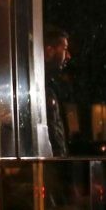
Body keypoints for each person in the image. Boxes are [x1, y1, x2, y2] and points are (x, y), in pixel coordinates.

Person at [44, 25, 72, 156]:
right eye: (65, 49)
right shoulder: (42, 86)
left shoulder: (51, 85)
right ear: (49, 50)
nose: (68, 56)